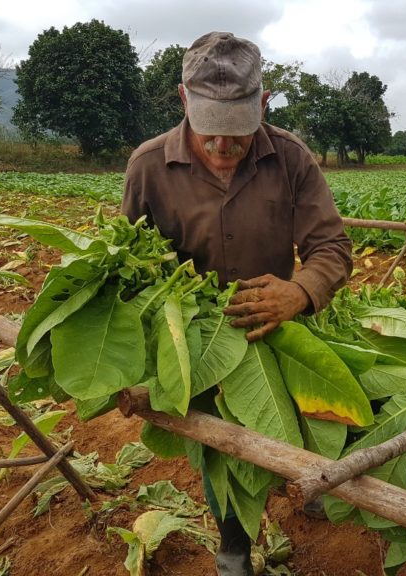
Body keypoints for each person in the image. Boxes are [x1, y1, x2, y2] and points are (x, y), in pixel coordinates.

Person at [121, 32, 352, 576]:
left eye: (237, 129)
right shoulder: (148, 167)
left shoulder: (291, 158)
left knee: (299, 421)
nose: (223, 145)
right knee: (219, 448)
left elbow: (331, 247)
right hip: (197, 343)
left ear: (263, 104)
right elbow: (128, 264)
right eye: (210, 127)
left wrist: (300, 291)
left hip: (278, 326)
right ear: (184, 99)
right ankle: (233, 549)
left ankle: (311, 488)